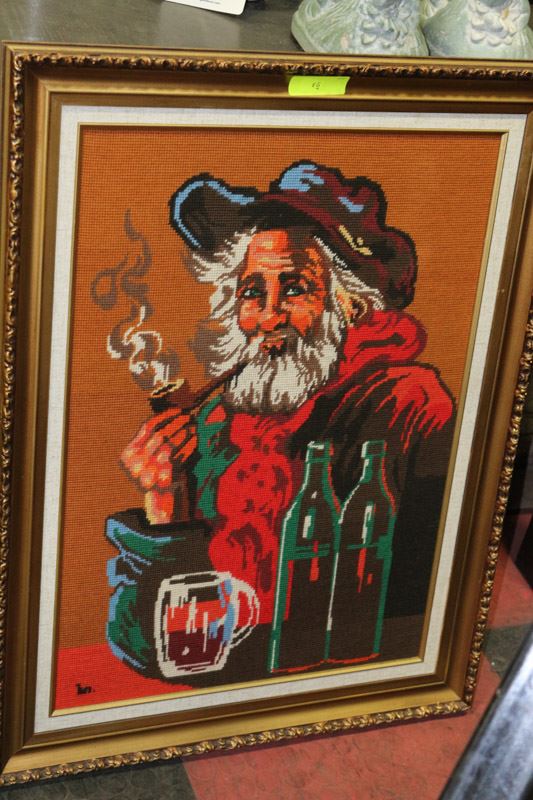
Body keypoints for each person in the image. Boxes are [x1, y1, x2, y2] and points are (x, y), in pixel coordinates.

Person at [121, 161, 456, 626]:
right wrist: (165, 495)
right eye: (252, 292)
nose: (269, 317)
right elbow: (177, 615)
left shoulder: (406, 404)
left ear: (352, 305)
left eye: (295, 288)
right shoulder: (218, 417)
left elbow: (412, 600)